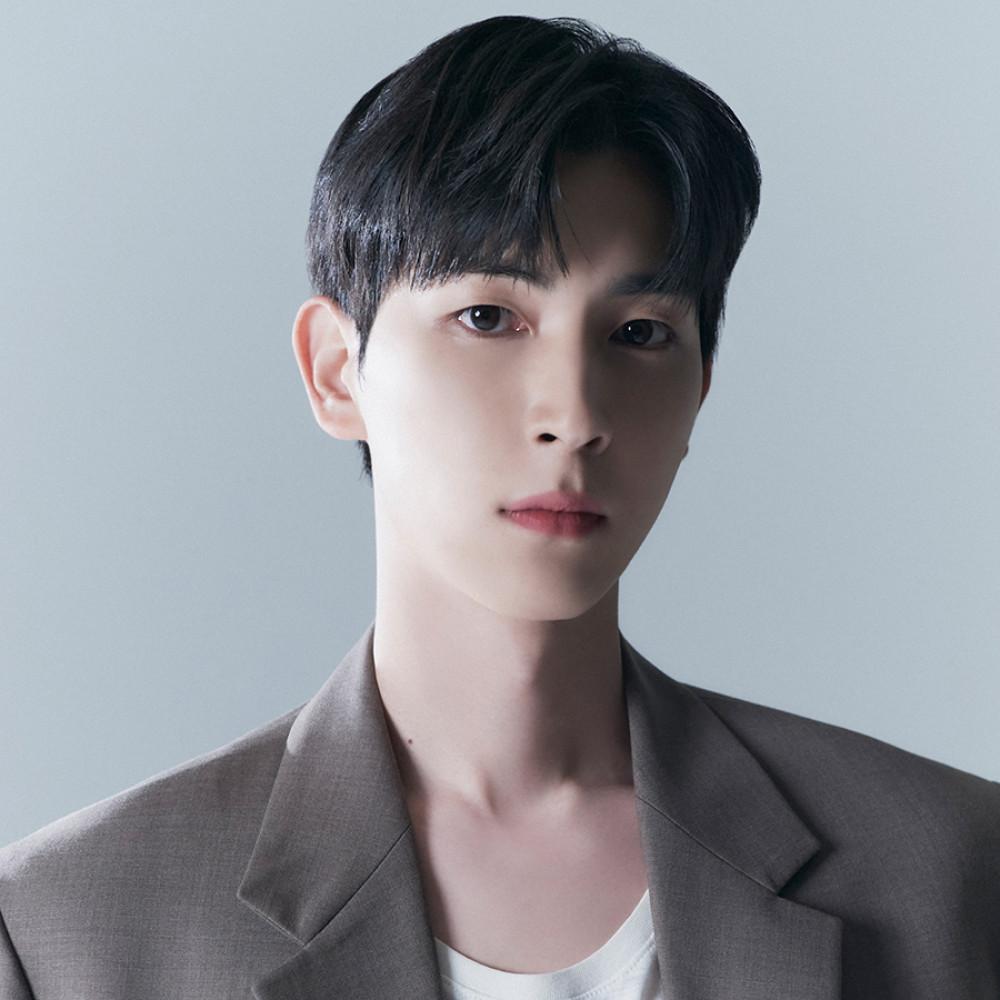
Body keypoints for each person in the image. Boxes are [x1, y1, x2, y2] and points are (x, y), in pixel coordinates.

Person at [1, 14, 998, 999]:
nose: (574, 415)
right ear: (337, 371)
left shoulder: (956, 872)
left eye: (640, 332)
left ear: (698, 391)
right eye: (488, 317)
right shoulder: (65, 931)